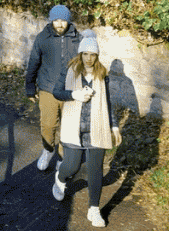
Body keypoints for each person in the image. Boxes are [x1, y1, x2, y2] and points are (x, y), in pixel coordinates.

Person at [51, 30, 122, 228]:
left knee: (95, 170)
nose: (89, 59)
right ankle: (61, 178)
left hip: (96, 128)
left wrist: (114, 126)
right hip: (73, 127)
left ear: (97, 56)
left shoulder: (102, 74)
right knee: (72, 166)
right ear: (80, 54)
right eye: (85, 54)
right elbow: (57, 92)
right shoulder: (70, 70)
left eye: (93, 55)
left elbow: (108, 102)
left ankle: (94, 209)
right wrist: (74, 94)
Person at [25, 4, 82, 170]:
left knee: (67, 128)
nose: (60, 23)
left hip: (70, 91)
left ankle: (61, 157)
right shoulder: (43, 38)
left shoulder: (78, 39)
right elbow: (33, 63)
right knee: (48, 125)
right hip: (48, 89)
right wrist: (30, 87)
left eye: (63, 20)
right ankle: (48, 150)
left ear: (68, 21)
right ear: (51, 21)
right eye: (56, 20)